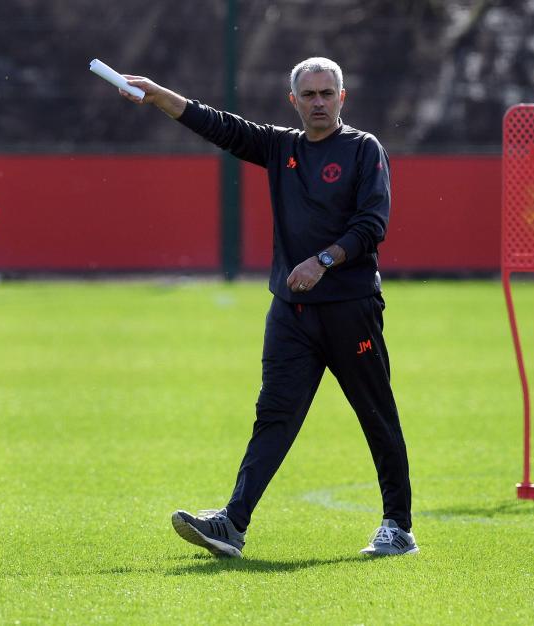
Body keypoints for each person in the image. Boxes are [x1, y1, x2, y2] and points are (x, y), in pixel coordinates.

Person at [120, 57, 416, 558]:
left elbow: (372, 225)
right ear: (293, 101)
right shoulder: (282, 147)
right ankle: (231, 525)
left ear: (343, 98)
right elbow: (221, 127)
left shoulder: (364, 150)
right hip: (292, 312)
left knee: (375, 413)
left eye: (328, 93)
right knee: (273, 414)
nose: (319, 102)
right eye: (310, 95)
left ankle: (398, 527)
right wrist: (159, 95)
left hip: (350, 308)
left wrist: (323, 260)